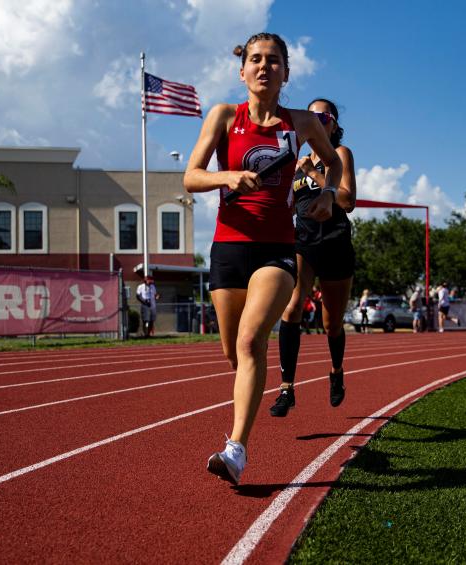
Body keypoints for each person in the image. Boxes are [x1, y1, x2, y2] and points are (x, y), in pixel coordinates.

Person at [183, 32, 342, 485]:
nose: (264, 67)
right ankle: (254, 387)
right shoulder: (223, 116)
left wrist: (328, 194)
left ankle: (236, 450)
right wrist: (230, 176)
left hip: (276, 249)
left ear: (286, 73)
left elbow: (333, 164)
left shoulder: (303, 124)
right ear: (242, 71)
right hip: (228, 246)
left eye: (274, 61)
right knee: (234, 352)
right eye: (255, 59)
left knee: (253, 341)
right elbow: (191, 177)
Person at [269, 97, 358, 418]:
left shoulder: (340, 155)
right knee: (291, 308)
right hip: (303, 240)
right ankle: (286, 389)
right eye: (312, 116)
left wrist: (316, 175)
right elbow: (286, 206)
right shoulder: (296, 160)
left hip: (334, 241)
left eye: (324, 116)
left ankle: (335, 371)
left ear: (334, 124)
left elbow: (347, 201)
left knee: (331, 322)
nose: (318, 121)